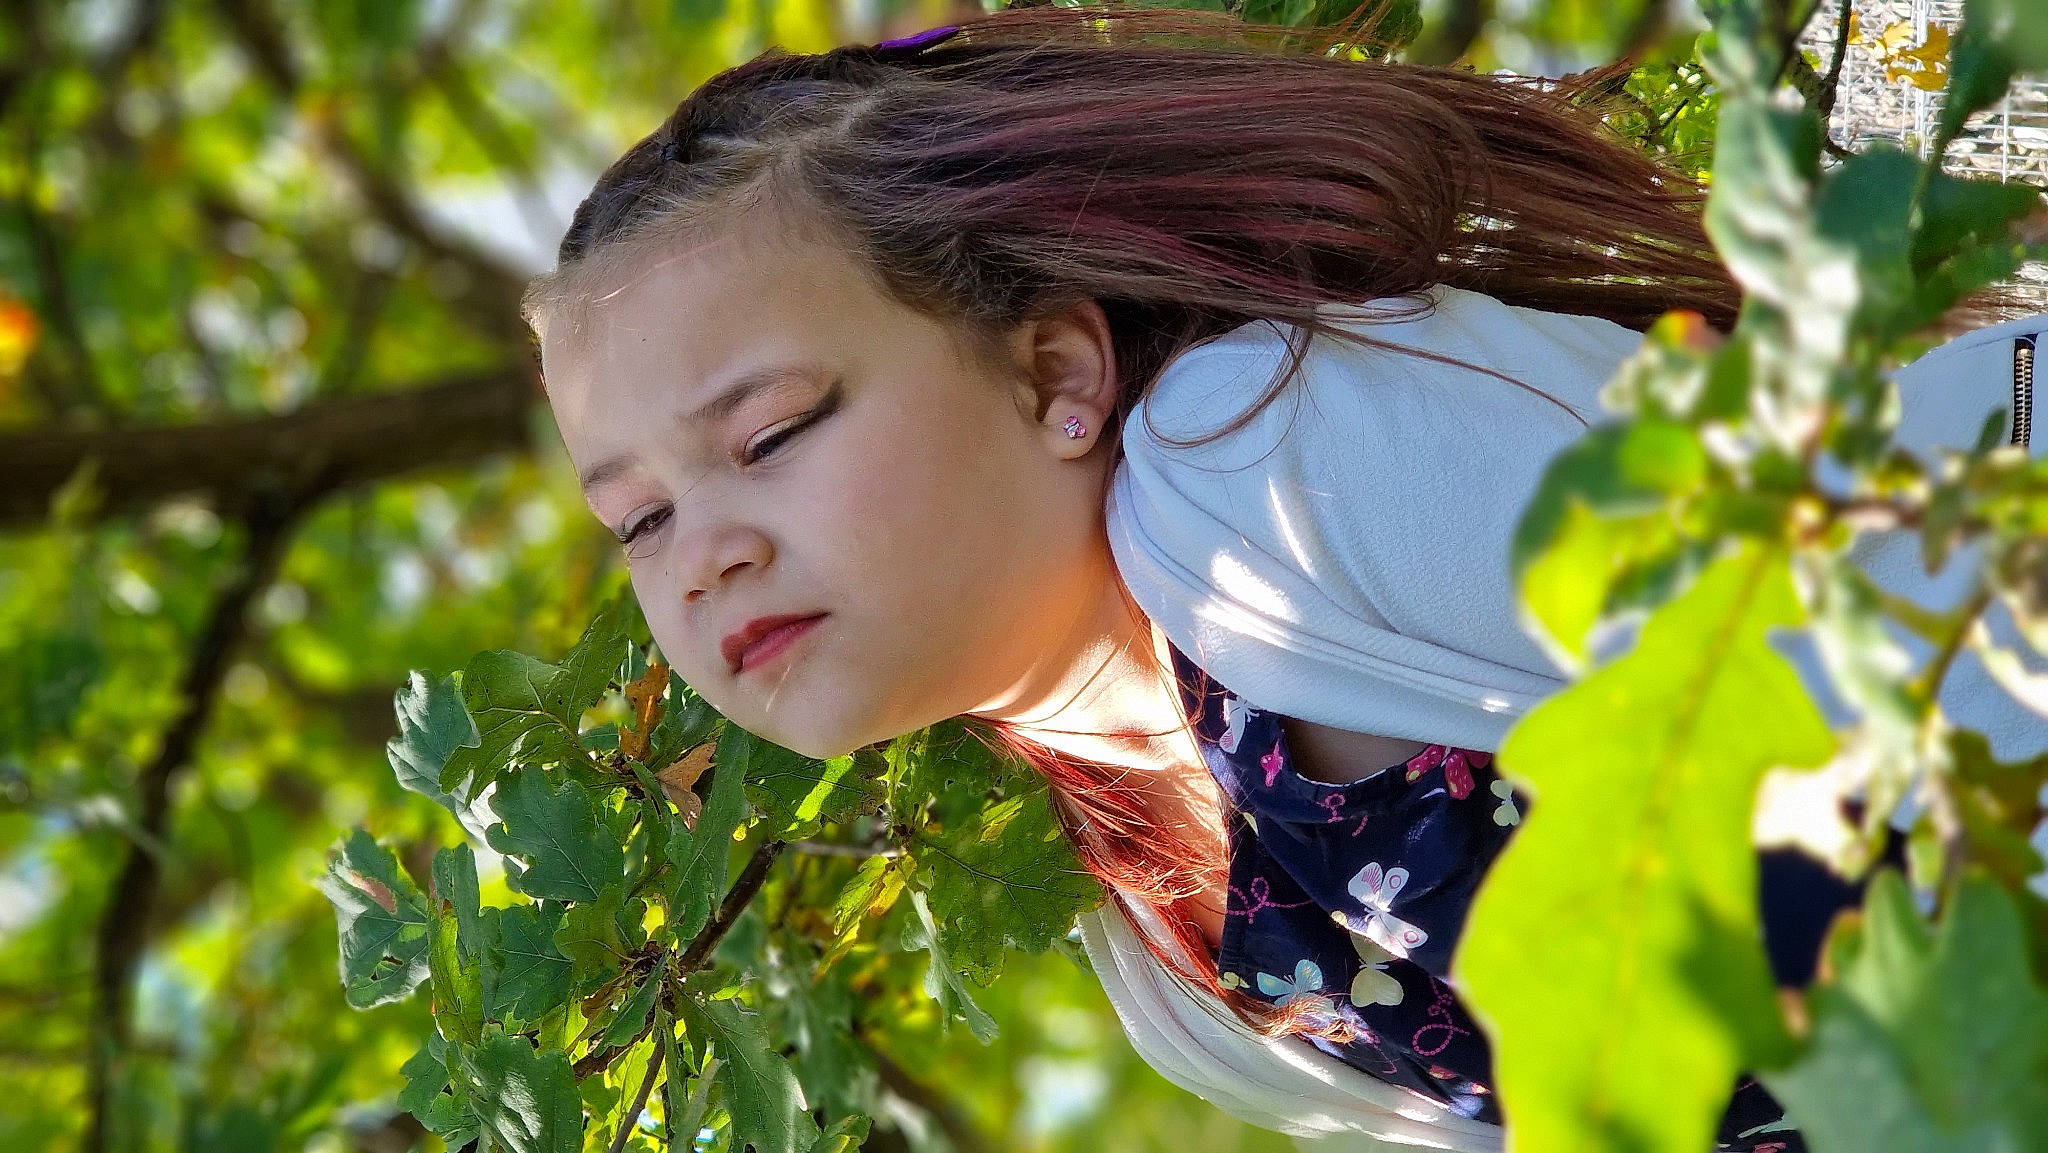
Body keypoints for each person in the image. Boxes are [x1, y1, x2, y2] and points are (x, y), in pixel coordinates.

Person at [520, 5, 2046, 1150]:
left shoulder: (1259, 457)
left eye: (770, 431)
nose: (703, 550)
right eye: (639, 519)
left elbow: (1902, 608)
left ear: (1053, 367)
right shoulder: (1160, 950)